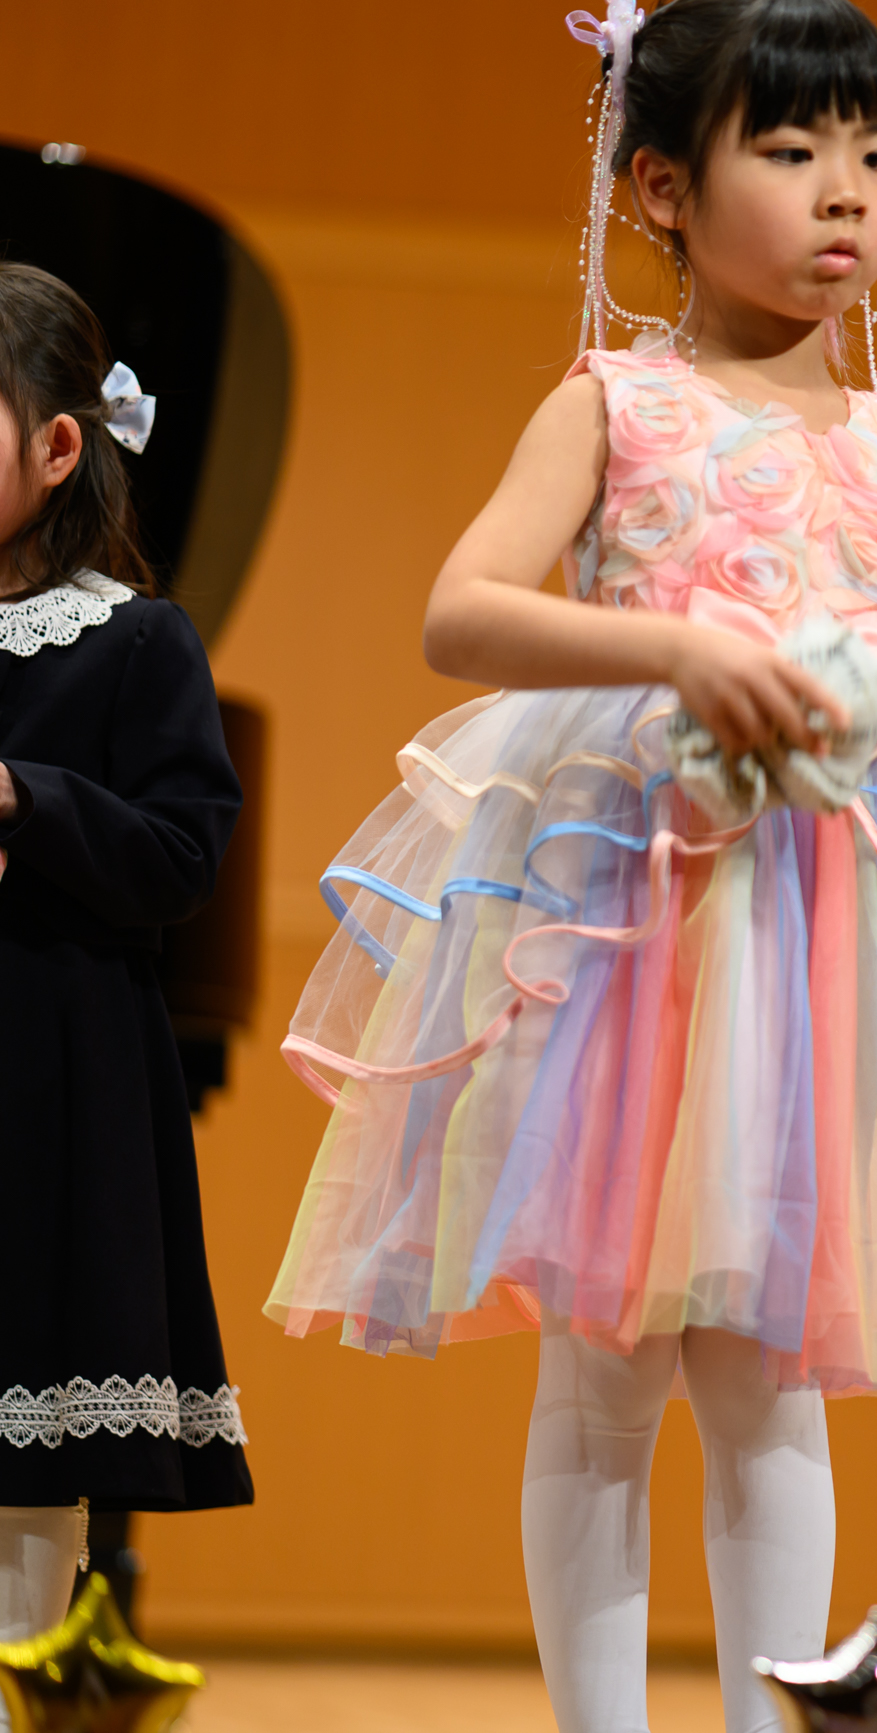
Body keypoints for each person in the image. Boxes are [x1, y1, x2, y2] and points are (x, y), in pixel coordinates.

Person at [261, 5, 877, 1728]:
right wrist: (670, 655)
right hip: (634, 939)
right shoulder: (619, 403)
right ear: (662, 185)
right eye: (794, 151)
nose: (847, 197)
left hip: (817, 949)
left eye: (875, 156)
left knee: (772, 1383)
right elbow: (460, 610)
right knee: (608, 1377)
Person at [0, 264, 252, 1642]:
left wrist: (27, 798)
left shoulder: (138, 639)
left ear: (56, 446)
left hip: (53, 1079)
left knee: (28, 1424)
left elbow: (180, 855)